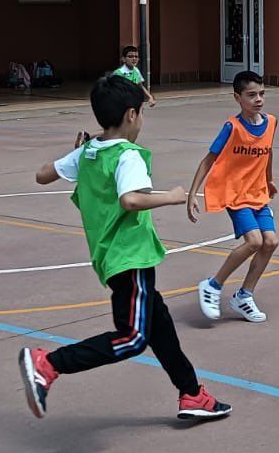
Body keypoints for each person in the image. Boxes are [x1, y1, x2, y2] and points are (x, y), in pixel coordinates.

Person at [18, 76, 229, 421]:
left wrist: (78, 153)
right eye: (142, 113)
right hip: (129, 256)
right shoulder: (127, 155)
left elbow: (43, 175)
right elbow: (130, 199)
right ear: (131, 115)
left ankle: (192, 394)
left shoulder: (88, 151)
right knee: (132, 338)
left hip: (110, 256)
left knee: (158, 323)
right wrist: (173, 196)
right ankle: (49, 364)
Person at [190, 71, 278, 323]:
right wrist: (193, 194)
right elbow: (209, 160)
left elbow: (268, 152)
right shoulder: (232, 127)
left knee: (270, 242)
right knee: (254, 241)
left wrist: (269, 179)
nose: (258, 99)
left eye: (261, 94)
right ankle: (213, 285)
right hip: (235, 194)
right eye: (251, 95)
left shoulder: (271, 122)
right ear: (237, 98)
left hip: (257, 192)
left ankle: (244, 295)